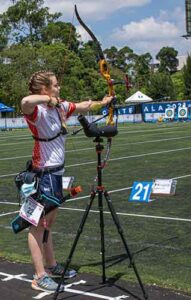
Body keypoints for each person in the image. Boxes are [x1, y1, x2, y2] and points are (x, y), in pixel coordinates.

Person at [21, 70, 113, 292]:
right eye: (54, 85)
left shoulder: (60, 107)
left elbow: (82, 106)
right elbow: (25, 101)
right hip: (42, 173)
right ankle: (39, 275)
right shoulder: (38, 111)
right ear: (45, 90)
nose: (58, 88)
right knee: (35, 226)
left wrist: (104, 102)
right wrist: (49, 99)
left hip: (55, 174)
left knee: (48, 224)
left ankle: (51, 266)